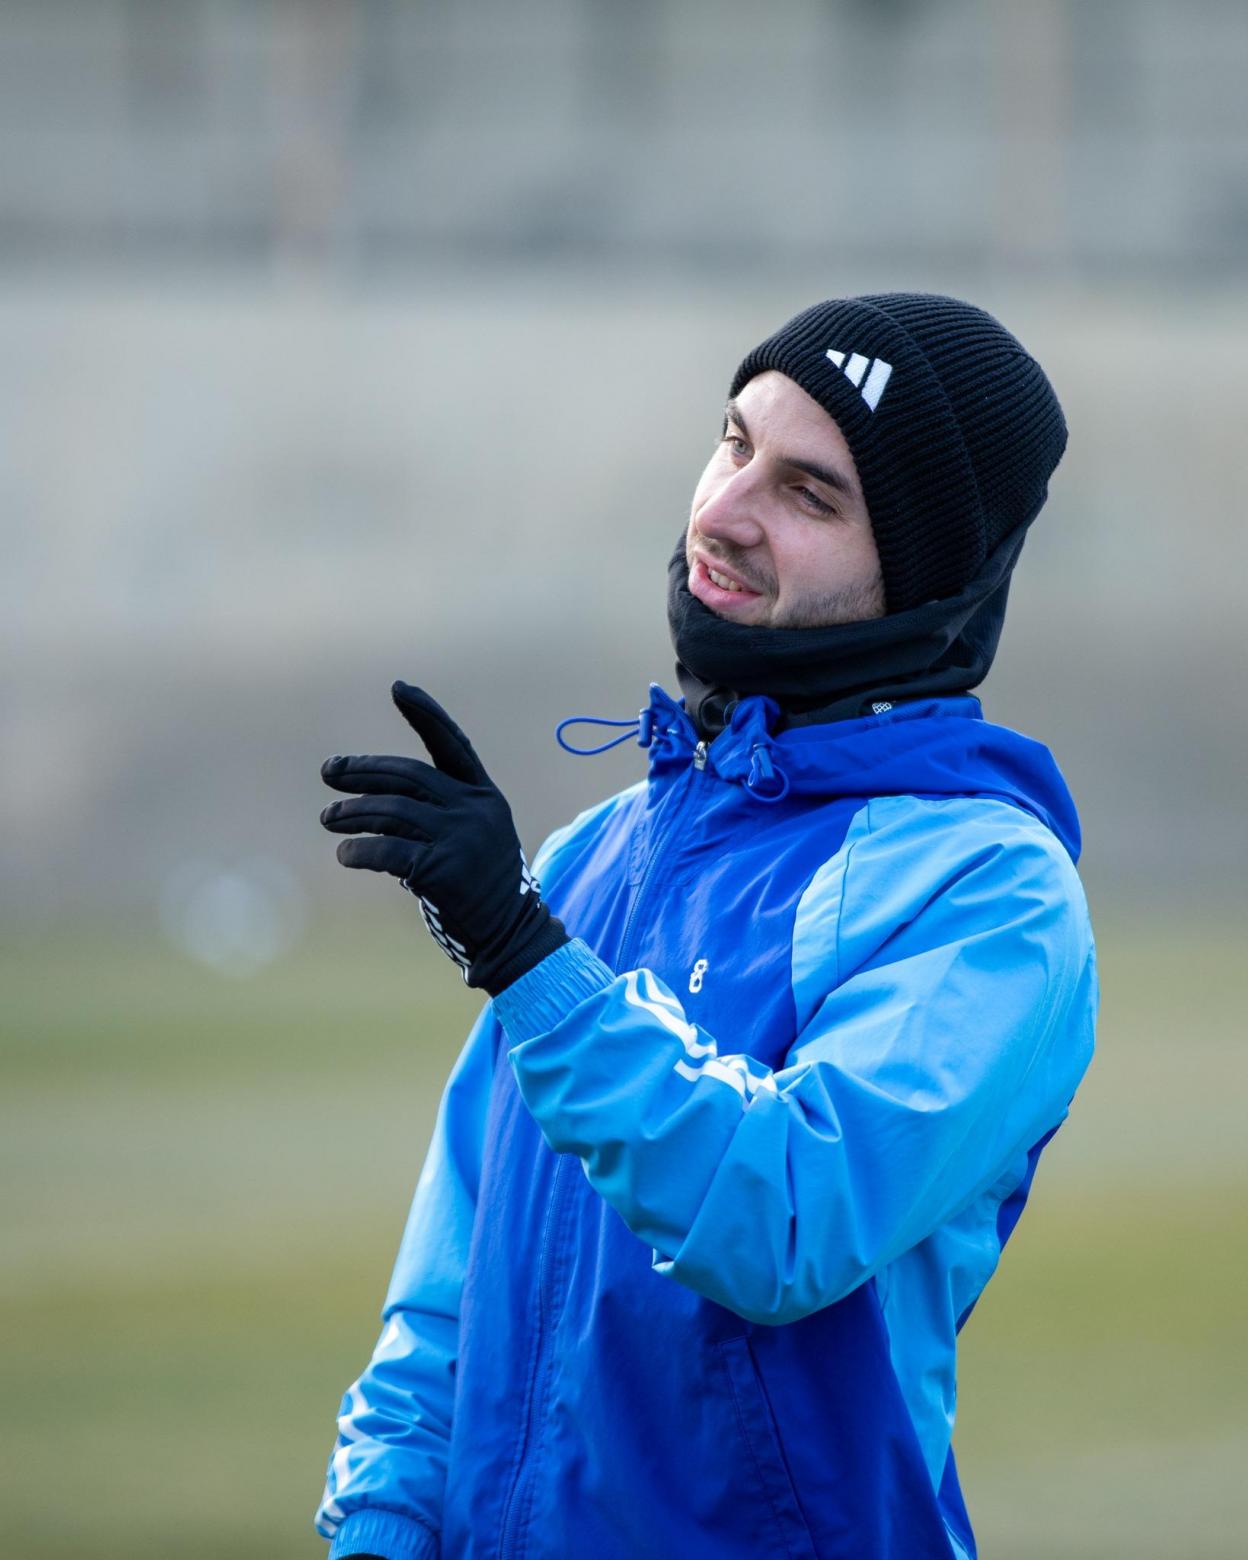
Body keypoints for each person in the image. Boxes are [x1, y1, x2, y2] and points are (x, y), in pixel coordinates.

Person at [314, 293, 1098, 1560]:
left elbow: (782, 1218)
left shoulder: (991, 890)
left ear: (924, 572)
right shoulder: (593, 852)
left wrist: (523, 954)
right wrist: (380, 1531)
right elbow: (446, 1301)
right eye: (734, 442)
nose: (724, 514)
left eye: (810, 494)